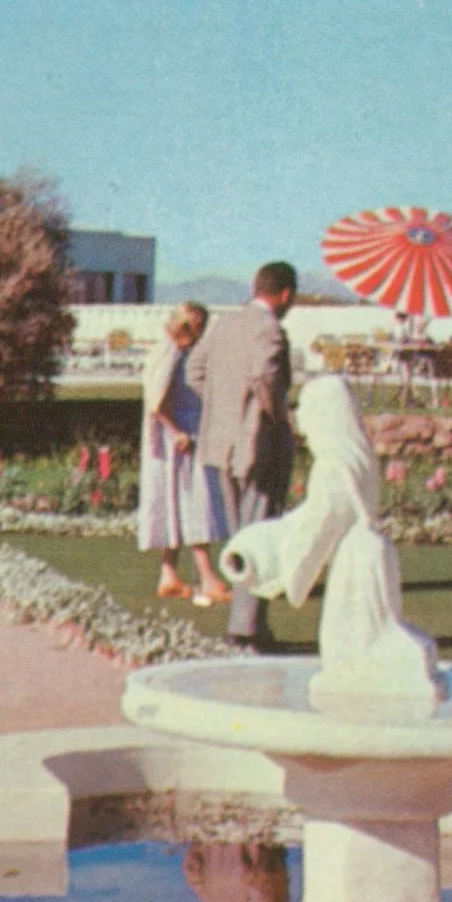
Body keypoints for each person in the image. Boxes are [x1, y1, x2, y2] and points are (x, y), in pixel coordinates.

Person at [219, 374, 444, 709]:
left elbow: (318, 527)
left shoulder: (334, 468)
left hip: (355, 564)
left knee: (350, 647)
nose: (304, 427)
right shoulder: (358, 458)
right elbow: (318, 516)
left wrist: (273, 559)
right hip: (368, 554)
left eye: (308, 414)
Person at [188, 261, 296, 650]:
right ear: (284, 294)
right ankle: (245, 629)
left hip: (222, 443)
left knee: (240, 535)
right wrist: (276, 415)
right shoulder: (268, 329)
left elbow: (194, 372)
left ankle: (250, 625)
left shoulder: (224, 324)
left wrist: (223, 409)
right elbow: (266, 376)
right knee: (259, 534)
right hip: (257, 445)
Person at [136, 301, 230, 605]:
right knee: (195, 502)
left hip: (173, 438)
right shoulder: (171, 352)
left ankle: (169, 575)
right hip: (178, 439)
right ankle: (207, 578)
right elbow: (157, 401)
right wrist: (176, 432)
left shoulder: (172, 350)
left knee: (174, 503)